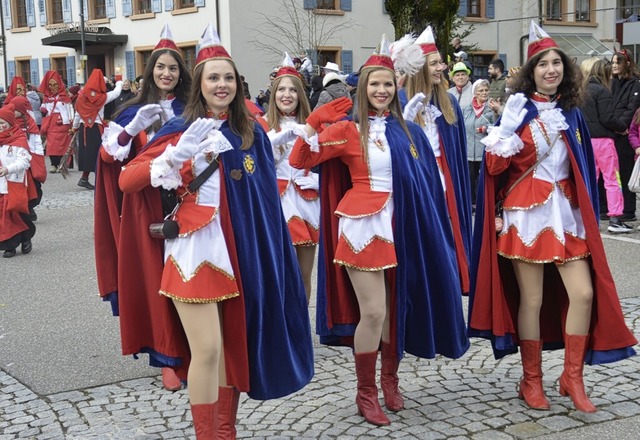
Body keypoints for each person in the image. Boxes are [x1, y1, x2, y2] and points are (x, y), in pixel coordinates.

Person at [118, 24, 313, 438]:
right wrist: (174, 156)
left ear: (237, 83)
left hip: (240, 252)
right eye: (213, 77)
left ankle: (226, 432)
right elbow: (128, 181)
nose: (221, 84)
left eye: (228, 77)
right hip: (194, 251)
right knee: (206, 349)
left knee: (231, 347)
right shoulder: (179, 129)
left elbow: (263, 205)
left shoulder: (252, 133)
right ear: (200, 85)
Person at [290, 34, 469, 426]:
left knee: (394, 310)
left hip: (402, 223)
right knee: (372, 312)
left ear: (396, 86)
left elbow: (428, 182)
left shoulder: (408, 131)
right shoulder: (347, 130)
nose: (382, 90)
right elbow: (300, 158)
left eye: (388, 84)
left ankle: (390, 380)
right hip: (363, 225)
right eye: (375, 84)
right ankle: (365, 392)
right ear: (363, 88)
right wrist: (314, 122)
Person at [468, 22, 637, 414]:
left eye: (556, 63)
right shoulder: (518, 110)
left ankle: (571, 377)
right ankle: (531, 380)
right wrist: (507, 129)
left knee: (583, 293)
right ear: (531, 72)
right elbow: (493, 169)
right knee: (533, 298)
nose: (550, 69)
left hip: (566, 214)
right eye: (542, 64)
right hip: (526, 214)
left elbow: (579, 168)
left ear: (565, 69)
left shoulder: (571, 112)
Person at [98, 24, 191, 392]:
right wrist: (128, 130)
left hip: (187, 202)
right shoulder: (130, 112)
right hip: (145, 207)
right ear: (150, 71)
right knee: (155, 281)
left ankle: (191, 346)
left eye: (173, 68)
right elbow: (108, 156)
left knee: (187, 275)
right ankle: (167, 354)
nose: (166, 74)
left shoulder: (192, 107)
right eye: (160, 68)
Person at [401, 26, 473, 296]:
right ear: (420, 68)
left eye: (441, 62)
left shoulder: (449, 104)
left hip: (444, 184)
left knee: (447, 238)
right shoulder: (401, 103)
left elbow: (455, 152)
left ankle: (449, 287)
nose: (441, 67)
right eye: (434, 63)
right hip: (417, 183)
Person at [257, 53, 318, 301]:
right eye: (281, 89)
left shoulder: (314, 126)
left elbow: (327, 162)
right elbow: (255, 166)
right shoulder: (260, 126)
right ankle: (281, 333)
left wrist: (319, 180)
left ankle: (300, 331)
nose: (286, 94)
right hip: (276, 202)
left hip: (307, 203)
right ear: (273, 94)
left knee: (304, 275)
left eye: (292, 90)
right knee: (279, 274)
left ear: (300, 95)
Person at [580, 58, 632, 233]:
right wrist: (623, 127)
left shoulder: (580, 91)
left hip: (586, 141)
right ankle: (615, 219)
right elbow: (607, 118)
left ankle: (586, 217)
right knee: (612, 180)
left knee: (589, 180)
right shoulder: (602, 91)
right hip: (604, 141)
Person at [72, 69, 123, 190]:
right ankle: (98, 180)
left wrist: (74, 127)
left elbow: (77, 114)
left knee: (88, 154)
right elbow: (116, 93)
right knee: (98, 153)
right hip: (95, 127)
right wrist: (119, 81)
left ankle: (85, 178)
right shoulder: (101, 97)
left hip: (83, 126)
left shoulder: (81, 98)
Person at [0, 104, 35, 258]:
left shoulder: (19, 139)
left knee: (18, 214)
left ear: (9, 123)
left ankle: (26, 237)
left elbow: (25, 161)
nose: (0, 127)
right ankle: (10, 245)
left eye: (2, 123)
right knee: (4, 216)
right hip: (1, 185)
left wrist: (8, 169)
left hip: (15, 182)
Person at [610, 49, 640, 221]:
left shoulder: (635, 83)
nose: (614, 66)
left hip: (627, 133)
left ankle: (629, 211)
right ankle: (619, 208)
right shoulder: (614, 82)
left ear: (627, 63)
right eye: (613, 62)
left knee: (627, 171)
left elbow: (632, 108)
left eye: (617, 62)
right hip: (616, 131)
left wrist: (620, 126)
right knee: (617, 172)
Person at [12, 96, 46, 222]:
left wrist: (38, 157)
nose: (12, 111)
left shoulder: (30, 122)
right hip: (16, 160)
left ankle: (31, 207)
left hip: (30, 160)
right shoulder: (9, 122)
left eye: (14, 109)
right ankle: (24, 210)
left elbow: (36, 141)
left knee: (35, 187)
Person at [463, 79, 494, 207]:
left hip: (484, 150)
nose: (484, 93)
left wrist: (486, 129)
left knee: (482, 179)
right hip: (469, 150)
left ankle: (482, 202)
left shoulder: (491, 108)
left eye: (486, 90)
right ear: (474, 93)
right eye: (481, 90)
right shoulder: (466, 109)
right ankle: (471, 203)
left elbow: (498, 127)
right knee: (470, 178)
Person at [39, 71, 74, 173]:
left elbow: (70, 109)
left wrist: (71, 122)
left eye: (55, 85)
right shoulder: (47, 98)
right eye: (50, 85)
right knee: (52, 145)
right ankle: (54, 164)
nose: (52, 87)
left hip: (63, 124)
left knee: (64, 145)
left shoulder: (64, 97)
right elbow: (43, 107)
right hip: (51, 124)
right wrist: (43, 109)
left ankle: (63, 164)